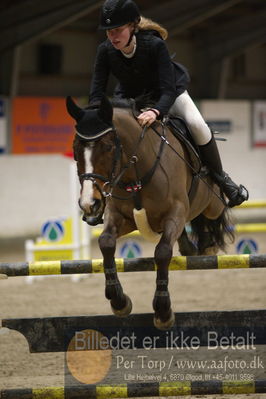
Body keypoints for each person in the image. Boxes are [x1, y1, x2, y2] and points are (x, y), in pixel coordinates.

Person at [89, 0, 248, 207]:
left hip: (170, 94)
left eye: (118, 30)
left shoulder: (154, 45)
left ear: (133, 26)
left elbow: (168, 89)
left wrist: (156, 111)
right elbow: (96, 90)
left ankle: (222, 179)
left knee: (197, 125)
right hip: (132, 99)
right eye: (109, 32)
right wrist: (92, 114)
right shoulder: (105, 50)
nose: (113, 37)